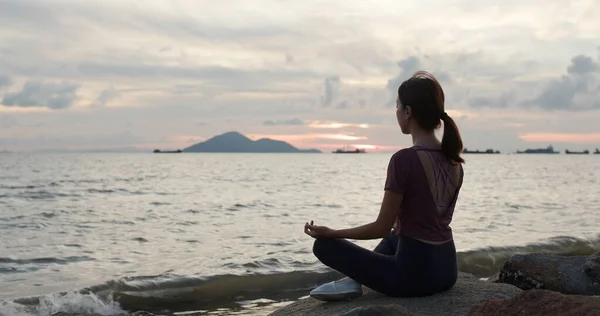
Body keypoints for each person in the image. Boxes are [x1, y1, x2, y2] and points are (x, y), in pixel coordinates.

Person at [304, 71, 465, 301]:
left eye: (397, 106)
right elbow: (402, 227)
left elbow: (380, 227)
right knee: (395, 236)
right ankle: (353, 281)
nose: (396, 111)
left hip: (413, 278)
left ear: (408, 111)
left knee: (323, 246)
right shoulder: (454, 161)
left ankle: (352, 280)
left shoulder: (404, 160)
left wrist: (332, 233)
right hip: (448, 271)